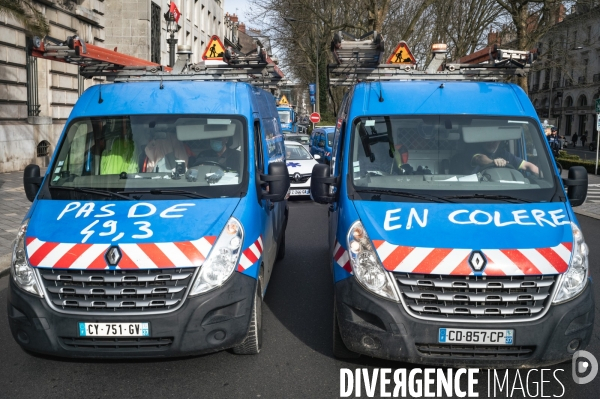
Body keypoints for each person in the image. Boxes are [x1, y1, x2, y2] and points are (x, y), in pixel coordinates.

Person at [469, 140, 539, 175]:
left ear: (500, 141)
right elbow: (479, 158)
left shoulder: (504, 154)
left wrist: (543, 175)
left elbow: (527, 165)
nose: (492, 143)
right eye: (489, 140)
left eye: (495, 140)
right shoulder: (474, 150)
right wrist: (493, 162)